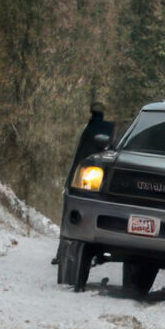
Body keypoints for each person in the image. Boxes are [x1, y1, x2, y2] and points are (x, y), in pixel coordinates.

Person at [54, 102, 115, 271]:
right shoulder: (108, 129)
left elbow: (80, 156)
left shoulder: (92, 129)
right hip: (93, 179)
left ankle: (62, 254)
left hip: (83, 178)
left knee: (71, 219)